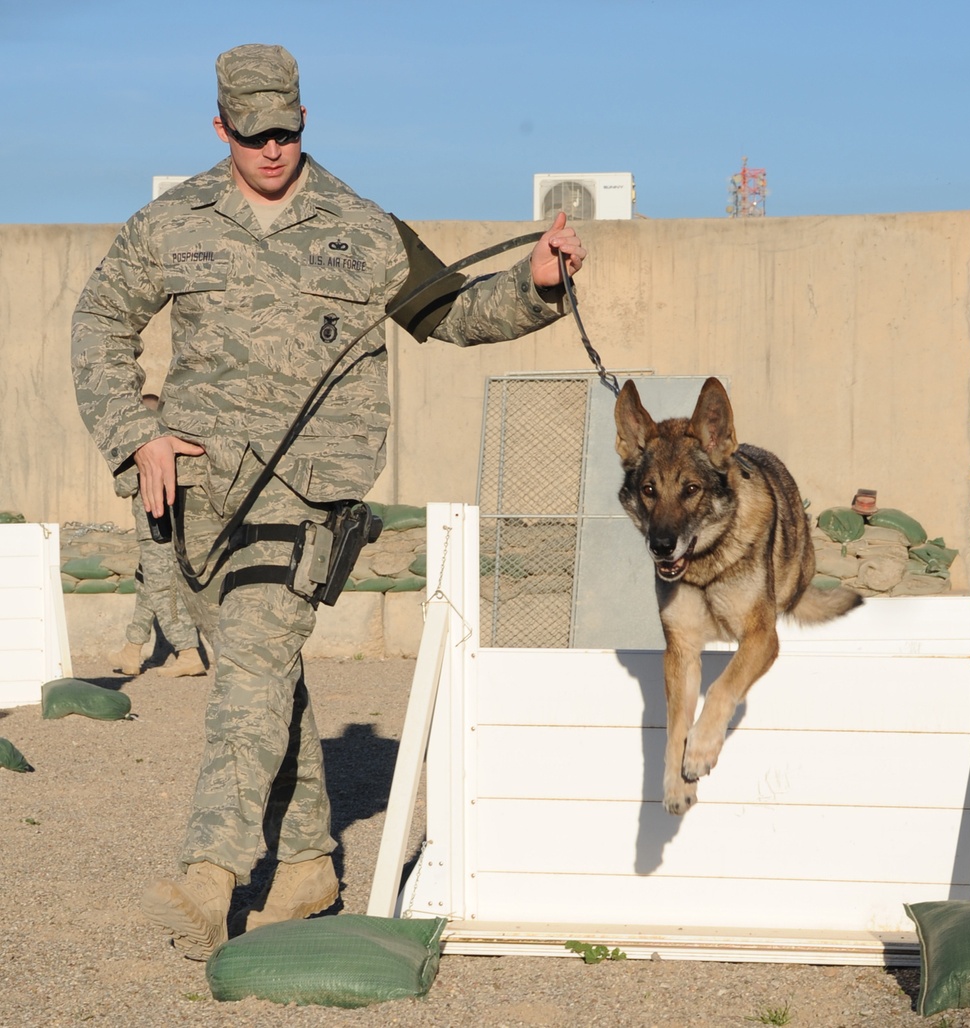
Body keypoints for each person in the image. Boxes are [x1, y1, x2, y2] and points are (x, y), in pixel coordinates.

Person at [72, 42, 587, 961]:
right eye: (253, 134)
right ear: (220, 127)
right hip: (194, 497)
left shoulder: (361, 225)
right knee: (264, 682)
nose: (272, 149)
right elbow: (101, 321)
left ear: (305, 122)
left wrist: (537, 286)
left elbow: (452, 313)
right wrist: (136, 431)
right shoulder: (171, 223)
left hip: (305, 500)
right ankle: (310, 861)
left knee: (253, 667)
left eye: (286, 132)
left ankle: (210, 873)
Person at [108, 393, 207, 678]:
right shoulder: (173, 442)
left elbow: (124, 486)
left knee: (163, 590)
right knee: (146, 586)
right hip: (163, 529)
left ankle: (188, 652)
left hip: (155, 530)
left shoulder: (148, 448)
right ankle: (132, 648)